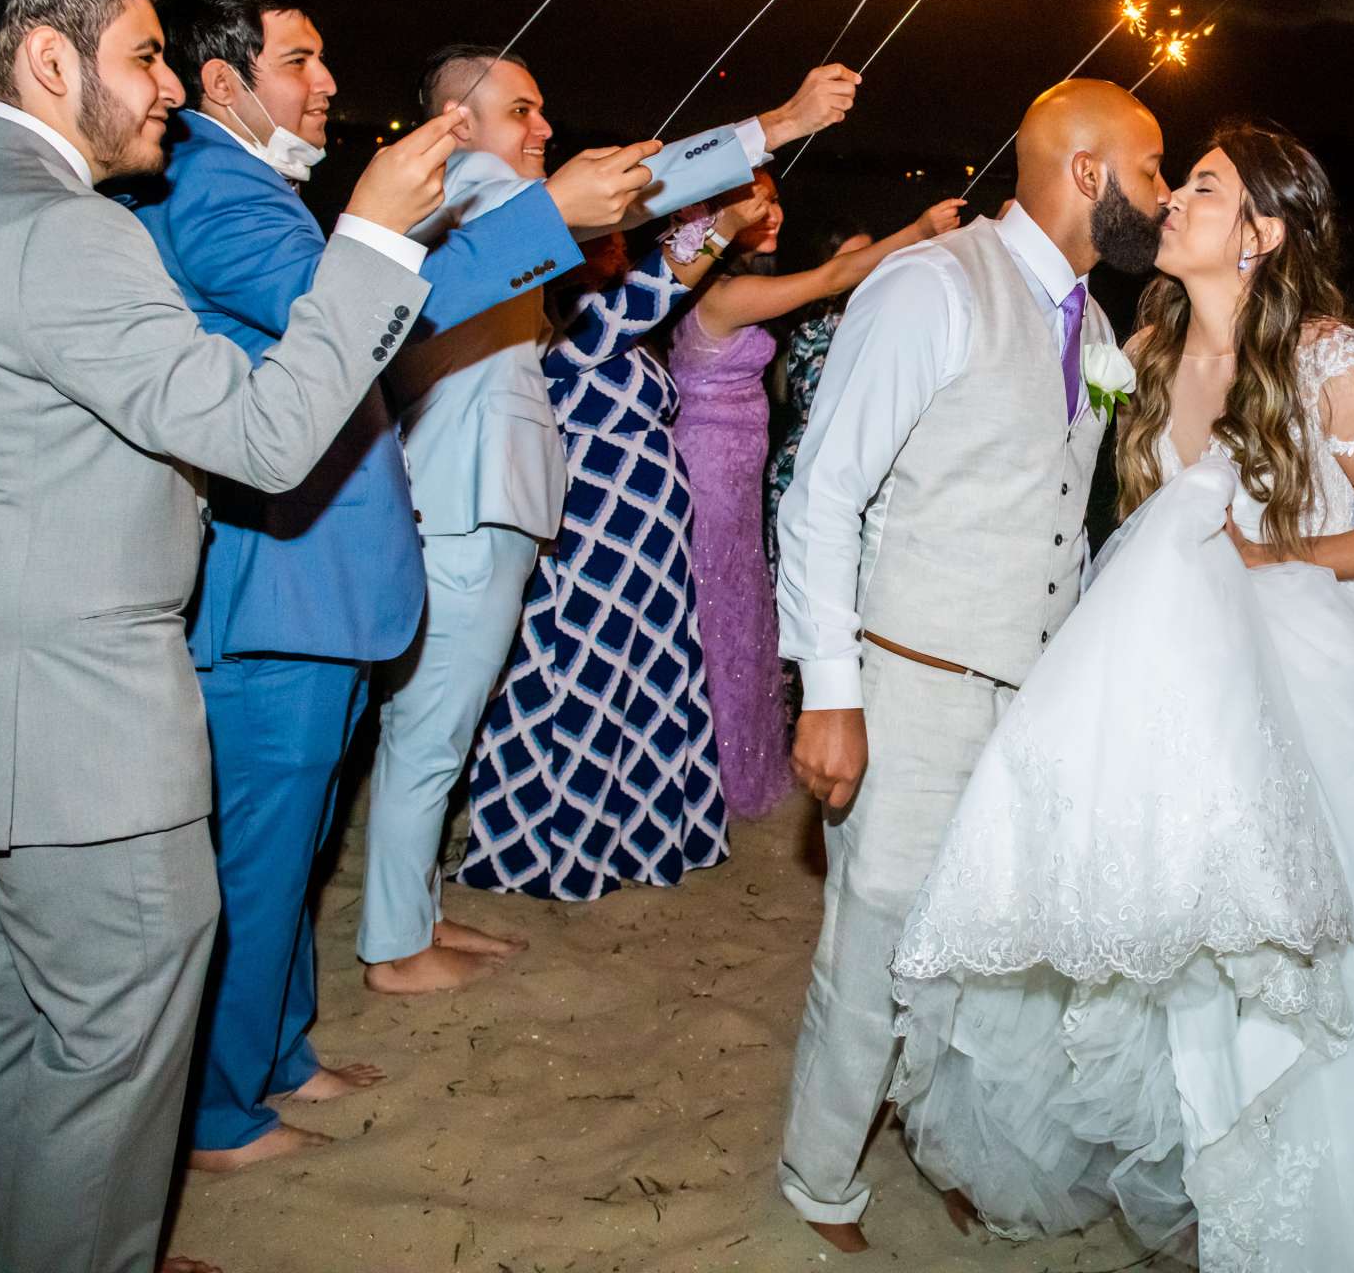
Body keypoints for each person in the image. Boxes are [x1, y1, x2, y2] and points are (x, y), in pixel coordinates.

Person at [889, 119, 1354, 1269]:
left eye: (1203, 186)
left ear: (1264, 231)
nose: (1175, 201)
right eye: (1180, 183)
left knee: (1338, 986)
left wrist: (1274, 561)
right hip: (1184, 694)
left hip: (1329, 695)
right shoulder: (1147, 346)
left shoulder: (1330, 356)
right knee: (1193, 957)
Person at [0, 0, 455, 1273]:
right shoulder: (70, 235)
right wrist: (369, 241)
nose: (172, 86)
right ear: (55, 63)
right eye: (143, 58)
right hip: (90, 739)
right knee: (113, 1062)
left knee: (25, 1055)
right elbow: (261, 439)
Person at [131, 0, 660, 1170]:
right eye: (299, 61)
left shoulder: (249, 185)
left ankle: (277, 1054)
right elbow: (369, 313)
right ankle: (219, 1112)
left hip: (329, 580)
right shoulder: (211, 192)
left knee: (303, 843)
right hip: (278, 584)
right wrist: (546, 222)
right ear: (223, 80)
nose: (328, 84)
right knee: (260, 860)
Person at [363, 52, 858, 993]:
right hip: (467, 502)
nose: (542, 128)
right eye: (522, 109)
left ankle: (413, 916)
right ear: (459, 123)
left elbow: (630, 272)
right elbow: (629, 196)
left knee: (443, 726)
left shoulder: (492, 219)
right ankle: (394, 945)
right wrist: (779, 125)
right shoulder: (468, 181)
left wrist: (700, 230)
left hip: (494, 500)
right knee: (430, 731)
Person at [774, 79, 1168, 1251]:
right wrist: (832, 694)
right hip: (913, 678)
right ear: (1086, 171)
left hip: (1029, 696)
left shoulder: (1093, 331)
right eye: (1152, 168)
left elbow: (1062, 500)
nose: (1162, 189)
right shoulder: (932, 286)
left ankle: (953, 1138)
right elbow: (823, 491)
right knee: (879, 936)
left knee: (992, 948)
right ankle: (817, 1175)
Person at [454, 187, 770, 901]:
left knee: (651, 681)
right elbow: (645, 299)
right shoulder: (561, 320)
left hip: (649, 542)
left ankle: (647, 837)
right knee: (591, 682)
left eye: (622, 240)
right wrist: (716, 231)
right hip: (594, 531)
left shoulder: (624, 329)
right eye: (603, 239)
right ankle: (567, 847)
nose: (618, 250)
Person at [667, 177, 963, 819]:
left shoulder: (741, 289)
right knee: (715, 617)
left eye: (775, 200)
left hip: (742, 471)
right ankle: (693, 772)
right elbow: (832, 279)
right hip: (709, 470)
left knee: (740, 613)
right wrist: (918, 233)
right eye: (753, 203)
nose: (771, 213)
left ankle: (722, 764)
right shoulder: (723, 293)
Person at [767, 221, 878, 581]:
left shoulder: (885, 310)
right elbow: (817, 400)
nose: (864, 267)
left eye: (870, 256)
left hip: (863, 470)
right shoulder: (815, 325)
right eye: (853, 259)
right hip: (807, 469)